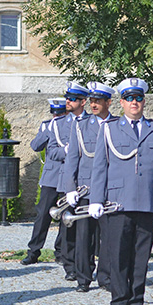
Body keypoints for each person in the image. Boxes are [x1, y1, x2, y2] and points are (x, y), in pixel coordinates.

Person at [89, 77, 153, 305]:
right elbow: (100, 167)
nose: (134, 102)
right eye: (129, 98)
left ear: (144, 101)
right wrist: (96, 198)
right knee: (118, 254)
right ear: (122, 102)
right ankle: (119, 302)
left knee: (141, 256)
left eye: (138, 98)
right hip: (118, 201)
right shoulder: (109, 128)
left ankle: (137, 301)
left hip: (146, 202)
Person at [62, 81, 116, 292]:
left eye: (98, 101)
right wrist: (70, 188)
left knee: (108, 237)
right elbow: (72, 159)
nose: (93, 105)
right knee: (84, 237)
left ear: (108, 102)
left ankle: (106, 277)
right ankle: (83, 278)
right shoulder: (81, 126)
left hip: (109, 190)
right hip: (86, 188)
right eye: (91, 101)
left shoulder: (116, 125)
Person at [21, 88, 82, 267]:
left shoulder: (73, 124)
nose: (57, 116)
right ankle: (33, 251)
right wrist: (47, 131)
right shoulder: (48, 125)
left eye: (60, 113)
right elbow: (35, 146)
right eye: (54, 113)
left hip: (68, 177)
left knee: (65, 216)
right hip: (50, 177)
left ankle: (61, 252)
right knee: (43, 216)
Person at [49, 81, 90, 280]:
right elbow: (51, 152)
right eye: (67, 98)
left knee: (87, 229)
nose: (68, 101)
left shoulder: (93, 121)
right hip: (67, 180)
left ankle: (87, 266)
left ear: (83, 102)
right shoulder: (59, 124)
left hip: (87, 181)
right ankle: (70, 266)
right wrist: (65, 150)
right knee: (67, 227)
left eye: (72, 99)